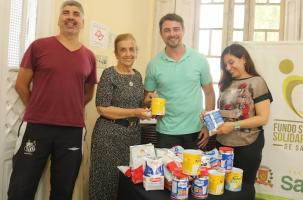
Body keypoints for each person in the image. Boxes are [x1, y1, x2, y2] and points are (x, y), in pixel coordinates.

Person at [8, 1, 97, 199]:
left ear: (82, 22)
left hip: (72, 131)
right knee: (20, 188)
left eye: (76, 14)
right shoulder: (39, 46)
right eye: (66, 13)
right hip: (36, 127)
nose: (71, 17)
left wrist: (68, 108)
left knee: (63, 190)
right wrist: (40, 108)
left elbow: (88, 93)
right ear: (59, 19)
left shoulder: (89, 56)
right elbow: (21, 85)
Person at [89, 33, 151, 200]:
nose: (128, 53)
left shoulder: (137, 76)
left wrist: (146, 102)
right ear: (116, 54)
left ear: (136, 52)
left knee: (126, 183)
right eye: (122, 50)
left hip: (132, 136)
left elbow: (136, 106)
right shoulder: (109, 74)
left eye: (131, 49)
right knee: (105, 182)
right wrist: (135, 112)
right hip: (109, 136)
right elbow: (102, 108)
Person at [144, 13, 215, 149]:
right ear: (161, 33)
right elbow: (146, 98)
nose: (172, 34)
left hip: (196, 131)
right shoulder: (153, 64)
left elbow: (210, 93)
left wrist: (208, 126)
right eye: (167, 30)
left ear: (183, 31)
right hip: (166, 132)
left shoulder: (199, 60)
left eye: (176, 29)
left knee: (195, 171)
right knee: (167, 170)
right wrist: (150, 101)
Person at [214, 43, 272, 199]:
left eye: (231, 62)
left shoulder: (257, 82)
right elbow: (224, 113)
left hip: (247, 145)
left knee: (243, 189)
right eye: (225, 64)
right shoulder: (225, 84)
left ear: (244, 59)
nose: (227, 67)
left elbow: (263, 118)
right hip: (222, 144)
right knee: (221, 188)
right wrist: (210, 118)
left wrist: (234, 125)